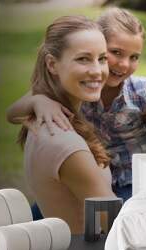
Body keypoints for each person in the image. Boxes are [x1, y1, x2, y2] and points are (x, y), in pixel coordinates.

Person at [6, 8, 146, 205]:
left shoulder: (140, 92)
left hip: (133, 182)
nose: (125, 65)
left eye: (134, 57)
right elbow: (11, 113)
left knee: (111, 219)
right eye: (116, 53)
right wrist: (38, 101)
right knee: (42, 211)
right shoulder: (76, 90)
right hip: (93, 176)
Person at [15, 15, 116, 234]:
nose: (97, 71)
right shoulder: (65, 143)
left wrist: (36, 100)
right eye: (83, 59)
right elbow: (116, 227)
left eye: (102, 58)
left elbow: (11, 112)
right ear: (52, 64)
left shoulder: (44, 111)